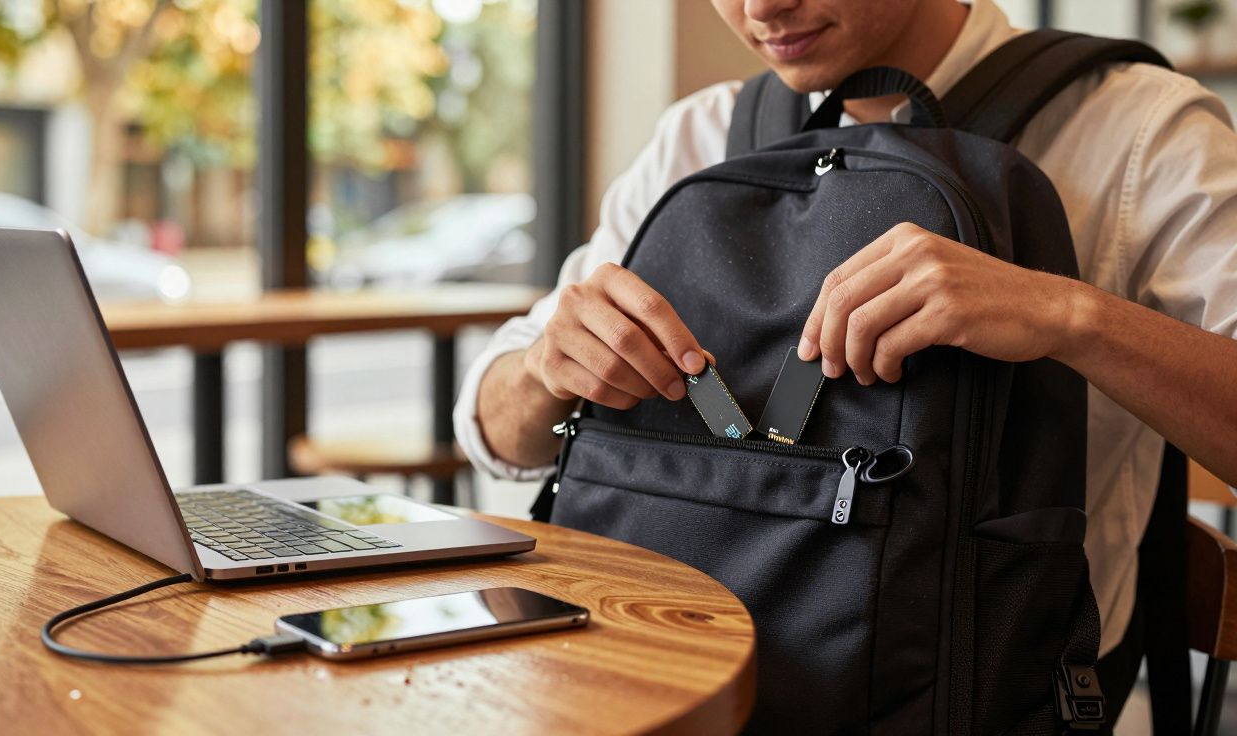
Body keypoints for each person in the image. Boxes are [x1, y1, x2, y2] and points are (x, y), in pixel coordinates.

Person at [454, 0, 1237, 723]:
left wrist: (1069, 316)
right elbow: (493, 431)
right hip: (644, 687)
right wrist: (544, 371)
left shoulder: (1137, 130)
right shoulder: (700, 133)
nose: (761, 8)